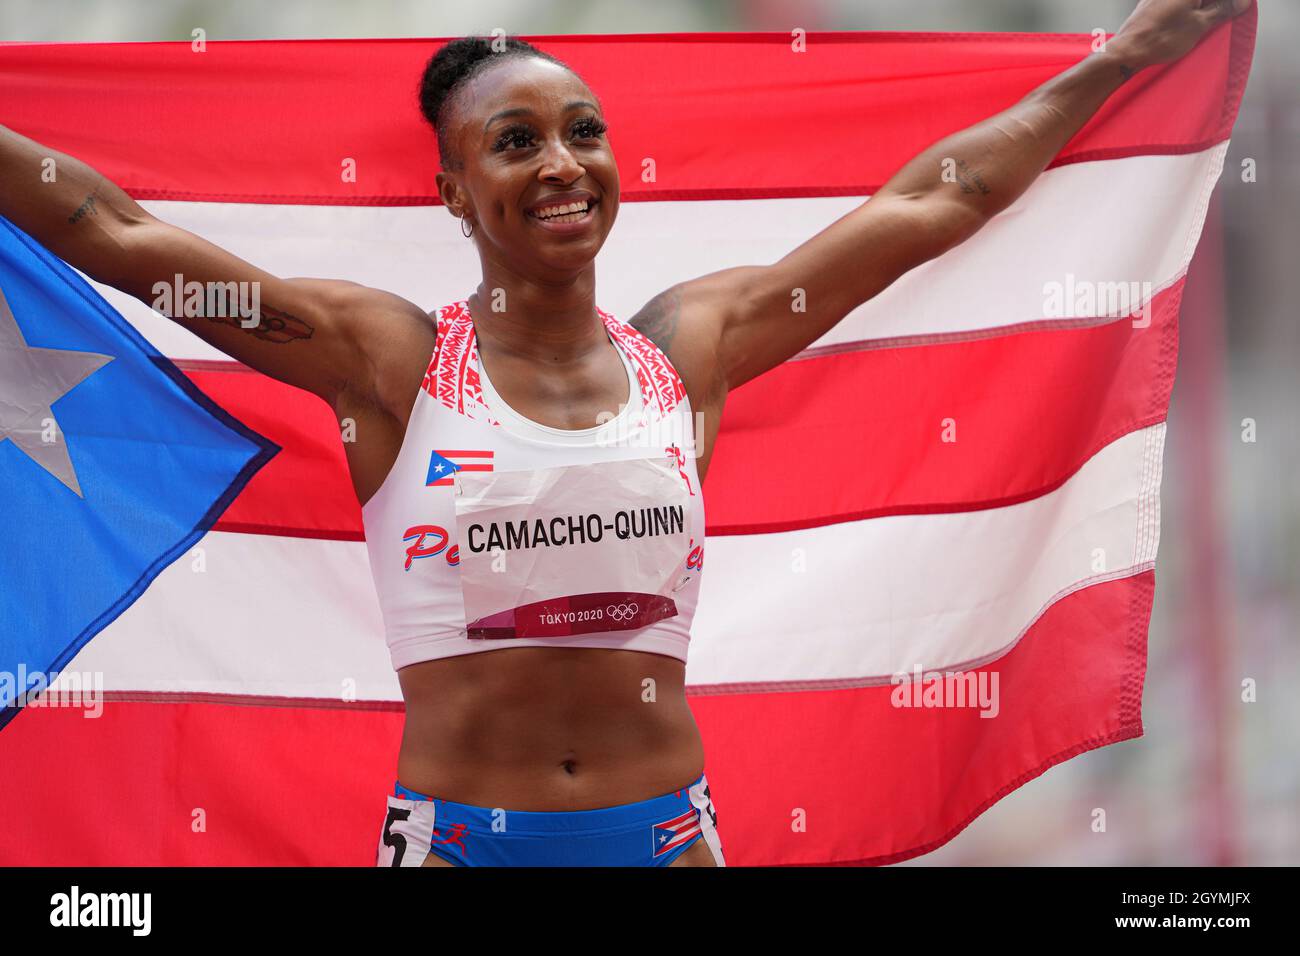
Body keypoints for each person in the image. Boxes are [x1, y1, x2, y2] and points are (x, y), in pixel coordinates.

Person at [0, 0, 1249, 866]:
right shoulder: (385, 359)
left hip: (665, 834)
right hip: (455, 837)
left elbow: (938, 198)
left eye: (583, 132)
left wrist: (1123, 58)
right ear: (452, 191)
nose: (562, 163)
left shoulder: (689, 347)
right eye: (516, 141)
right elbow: (113, 231)